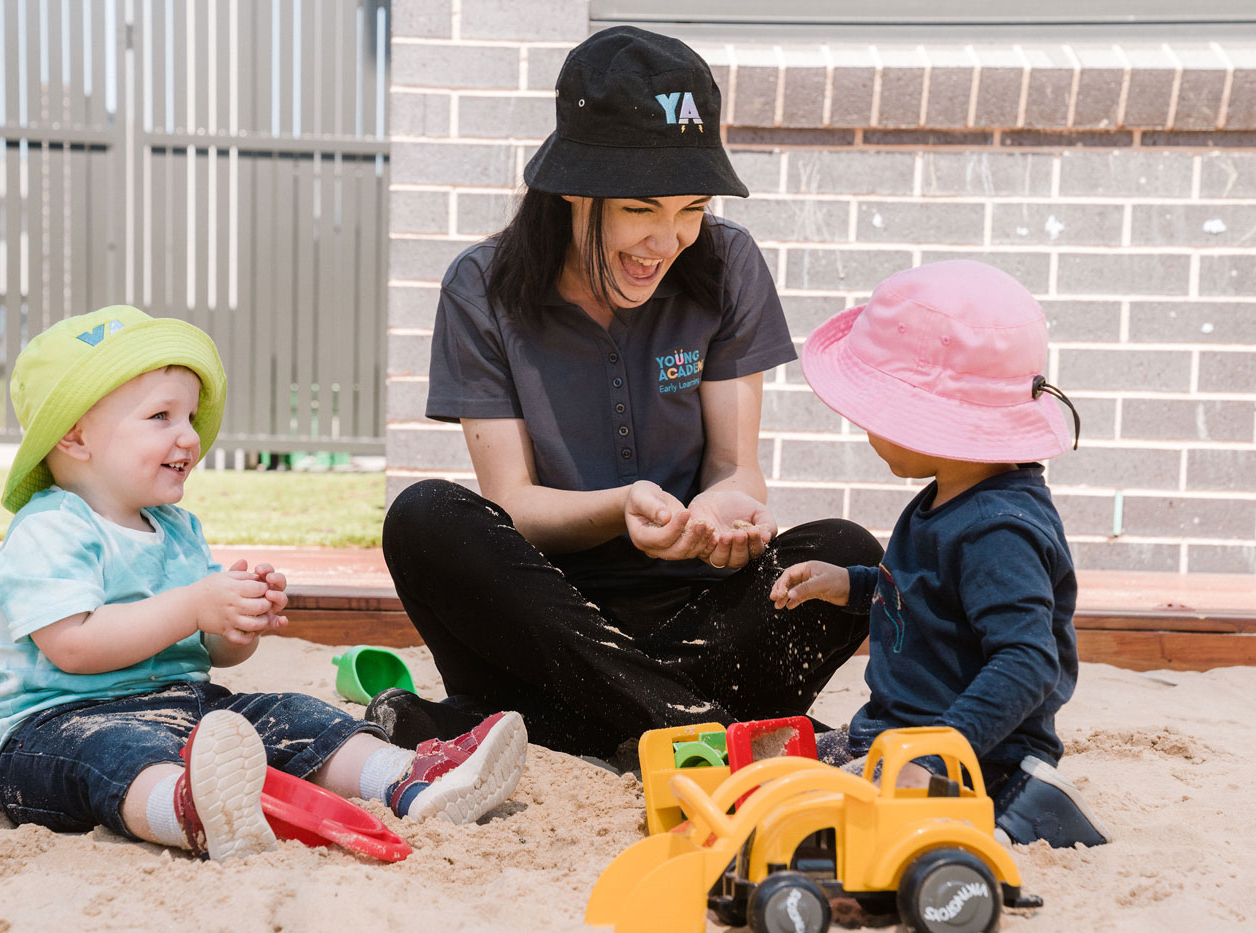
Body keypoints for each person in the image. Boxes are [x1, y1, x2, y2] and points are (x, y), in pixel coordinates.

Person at [372, 26, 882, 762]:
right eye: (642, 209)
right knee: (424, 516)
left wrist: (717, 511)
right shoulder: (479, 287)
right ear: (574, 189)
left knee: (841, 550)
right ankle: (695, 729)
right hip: (546, 617)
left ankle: (558, 724)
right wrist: (619, 508)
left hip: (693, 613)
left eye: (692, 207)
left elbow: (736, 467)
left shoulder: (728, 263)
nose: (667, 241)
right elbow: (514, 504)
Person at [0, 306, 528, 863]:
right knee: (116, 752)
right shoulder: (51, 528)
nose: (189, 436)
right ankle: (187, 809)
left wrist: (235, 626)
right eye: (161, 416)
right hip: (53, 727)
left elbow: (208, 653)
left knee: (288, 713)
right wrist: (193, 605)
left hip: (183, 707)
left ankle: (411, 779)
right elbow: (73, 645)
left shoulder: (177, 529)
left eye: (190, 416)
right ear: (74, 437)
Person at [768, 260, 1110, 849]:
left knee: (803, 826)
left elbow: (1027, 661)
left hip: (972, 755)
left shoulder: (999, 531)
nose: (863, 429)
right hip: (891, 733)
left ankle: (1026, 801)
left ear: (924, 415)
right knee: (773, 769)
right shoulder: (948, 499)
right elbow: (927, 594)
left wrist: (934, 756)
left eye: (873, 413)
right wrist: (846, 583)